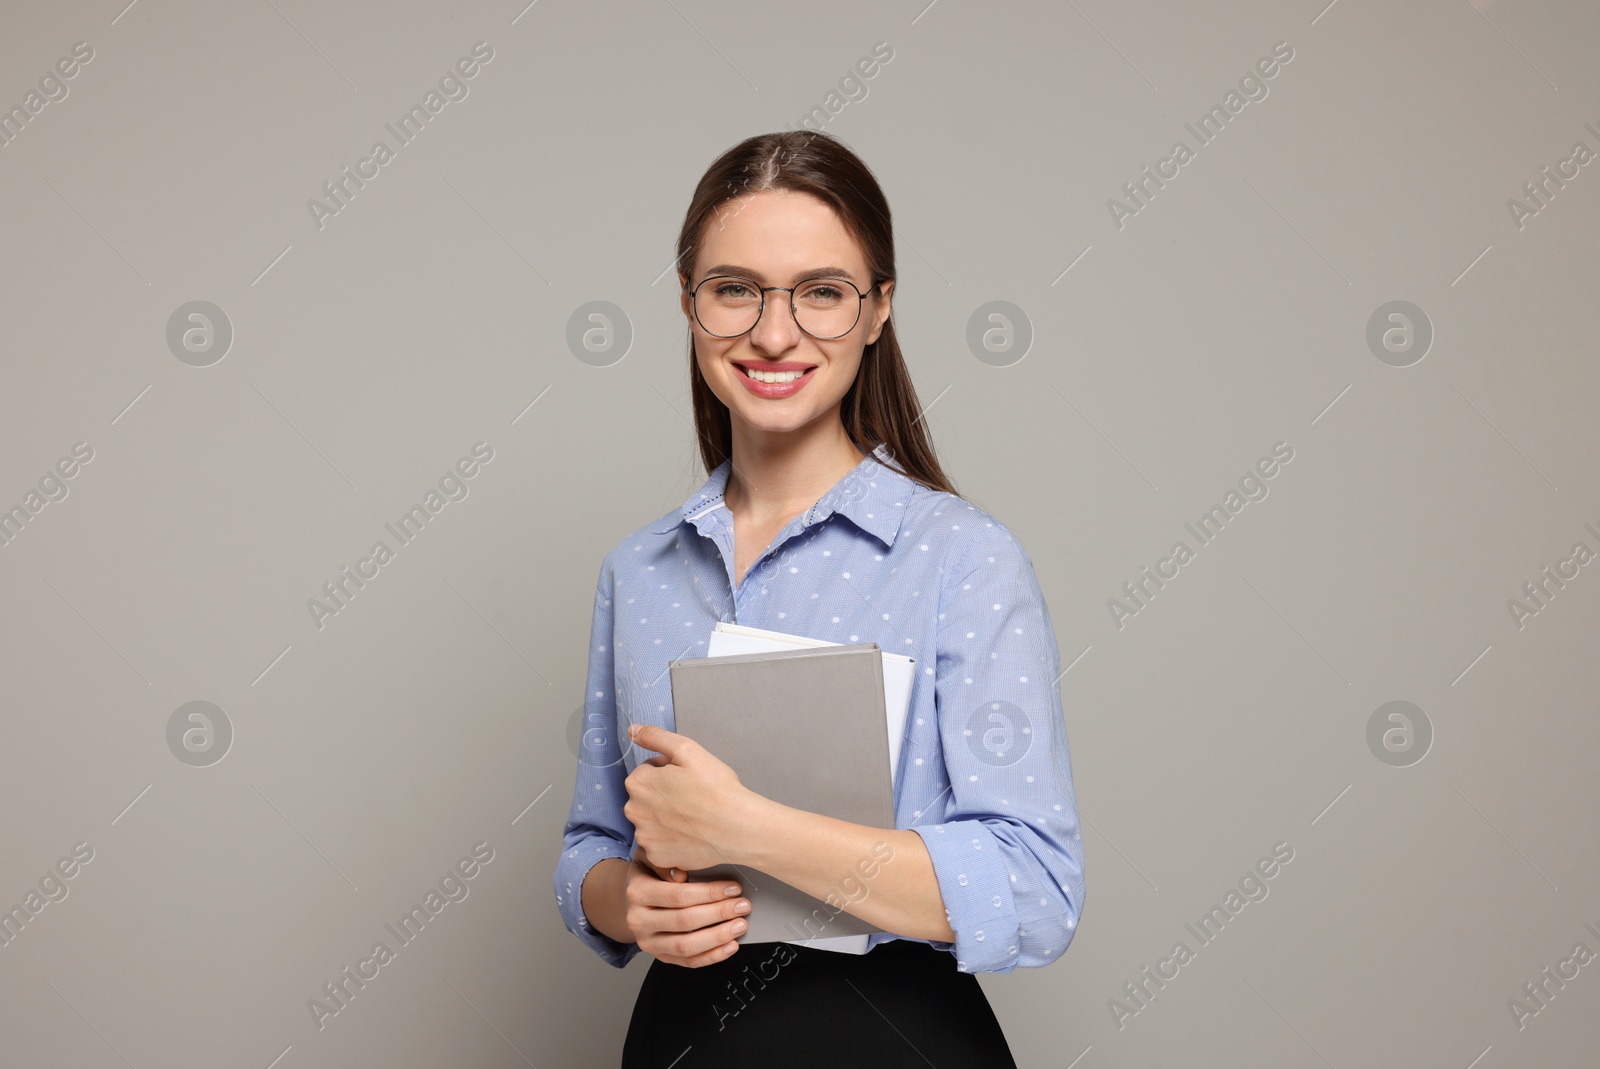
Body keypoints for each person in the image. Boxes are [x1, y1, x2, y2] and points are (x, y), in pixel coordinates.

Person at [552, 130, 1085, 1067]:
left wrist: (750, 828)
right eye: (734, 289)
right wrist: (626, 897)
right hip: (684, 1040)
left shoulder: (963, 559)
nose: (773, 332)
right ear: (689, 305)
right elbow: (590, 843)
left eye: (822, 293)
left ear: (878, 310)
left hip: (893, 1040)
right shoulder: (638, 571)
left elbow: (1035, 886)